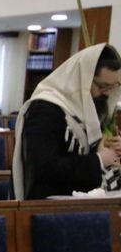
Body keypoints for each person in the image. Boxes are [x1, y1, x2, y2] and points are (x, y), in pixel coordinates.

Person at [12, 44, 121, 200]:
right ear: (82, 79)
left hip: (90, 201)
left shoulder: (95, 106)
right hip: (52, 205)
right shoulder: (46, 109)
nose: (107, 93)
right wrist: (99, 160)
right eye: (102, 86)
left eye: (114, 86)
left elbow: (97, 151)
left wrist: (114, 149)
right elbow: (44, 167)